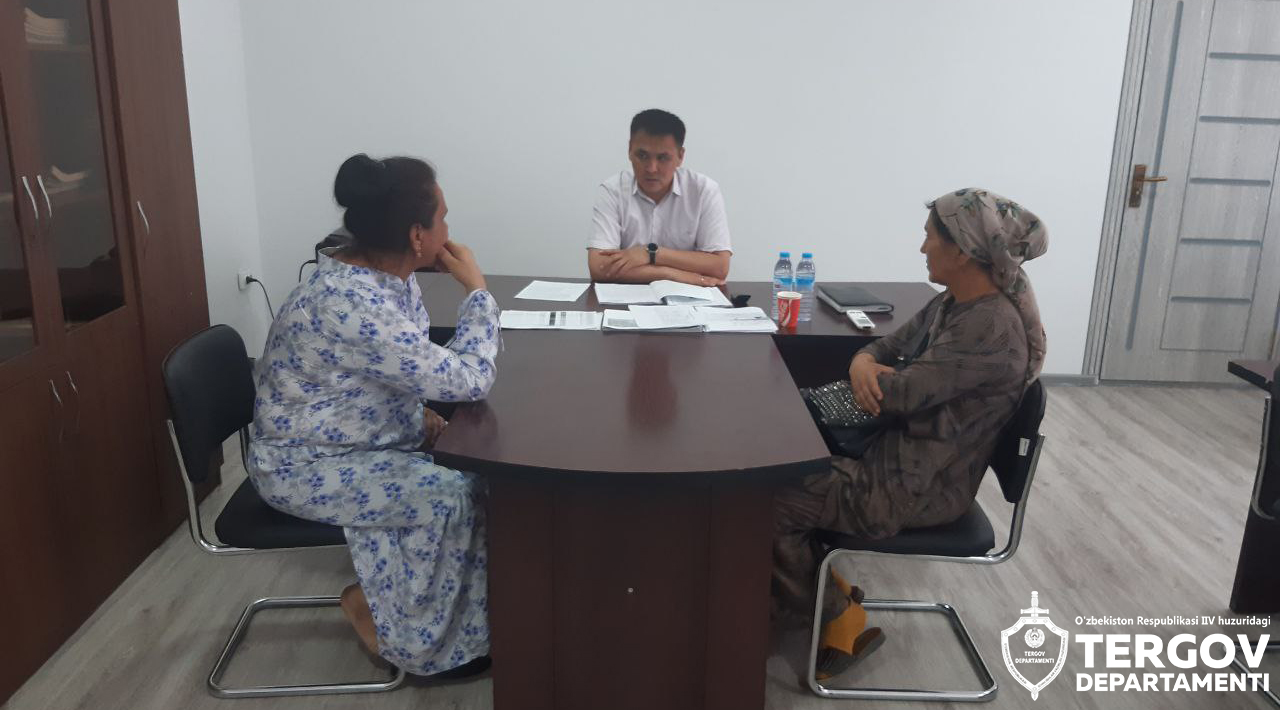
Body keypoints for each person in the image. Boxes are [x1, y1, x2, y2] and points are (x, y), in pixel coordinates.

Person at [773, 188, 1048, 679]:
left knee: (767, 495)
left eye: (930, 238)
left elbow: (898, 394)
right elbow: (881, 348)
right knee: (784, 456)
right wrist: (863, 362)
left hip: (910, 489)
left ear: (962, 250)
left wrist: (870, 371)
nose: (923, 248)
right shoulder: (954, 302)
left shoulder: (989, 328)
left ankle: (836, 617)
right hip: (898, 460)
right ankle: (821, 588)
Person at [247, 153, 499, 677]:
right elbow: (469, 379)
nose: (449, 230)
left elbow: (385, 370)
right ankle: (416, 644)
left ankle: (429, 612)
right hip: (302, 465)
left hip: (344, 439)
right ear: (416, 236)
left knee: (477, 470)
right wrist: (477, 291)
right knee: (452, 493)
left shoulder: (386, 278)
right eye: (443, 218)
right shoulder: (351, 303)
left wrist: (416, 411)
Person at [587, 108, 732, 286]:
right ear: (630, 150)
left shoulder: (703, 190)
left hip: (689, 299)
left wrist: (651, 253)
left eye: (663, 158)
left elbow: (719, 267)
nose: (651, 168)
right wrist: (671, 274)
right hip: (627, 299)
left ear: (680, 156)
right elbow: (600, 267)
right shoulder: (612, 190)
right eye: (642, 156)